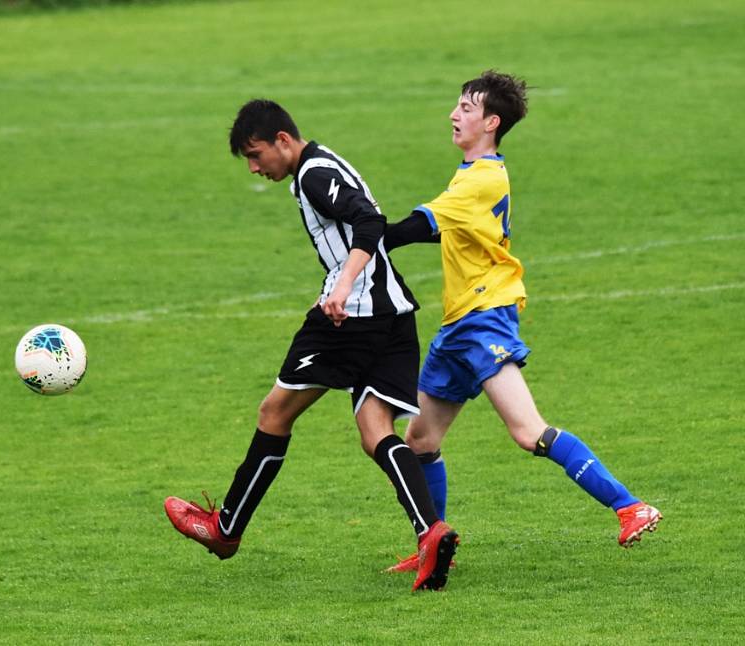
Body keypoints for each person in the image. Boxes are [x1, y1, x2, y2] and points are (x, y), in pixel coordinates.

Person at [164, 99, 459, 591]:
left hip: (348, 318)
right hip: (394, 317)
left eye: (257, 155)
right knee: (376, 431)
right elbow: (378, 226)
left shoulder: (315, 175)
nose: (256, 168)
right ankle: (431, 533)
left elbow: (366, 222)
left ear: (283, 139)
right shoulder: (327, 164)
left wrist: (342, 285)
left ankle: (226, 530)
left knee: (274, 414)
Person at [382, 71, 662, 573]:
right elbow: (444, 233)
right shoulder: (473, 176)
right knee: (420, 441)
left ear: (491, 122)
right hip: (457, 325)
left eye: (467, 107)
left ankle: (630, 506)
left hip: (485, 320)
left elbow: (418, 226)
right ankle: (432, 542)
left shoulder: (482, 176)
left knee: (528, 430)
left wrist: (362, 233)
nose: (454, 113)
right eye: (457, 105)